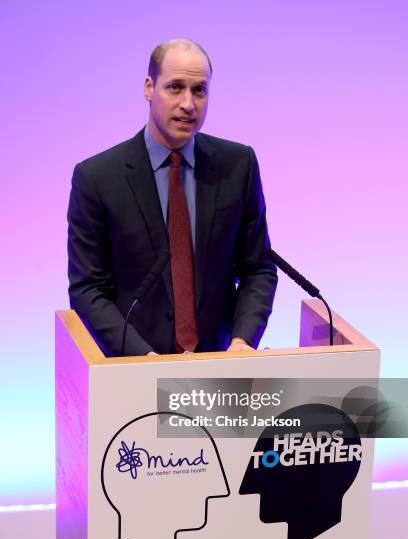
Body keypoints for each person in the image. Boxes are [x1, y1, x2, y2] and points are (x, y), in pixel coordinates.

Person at [67, 38, 278, 356]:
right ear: (149, 88)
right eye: (176, 87)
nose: (189, 104)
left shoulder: (238, 165)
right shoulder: (97, 178)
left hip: (221, 367)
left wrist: (242, 340)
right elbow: (88, 290)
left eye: (199, 90)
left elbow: (258, 268)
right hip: (133, 373)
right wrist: (143, 358)